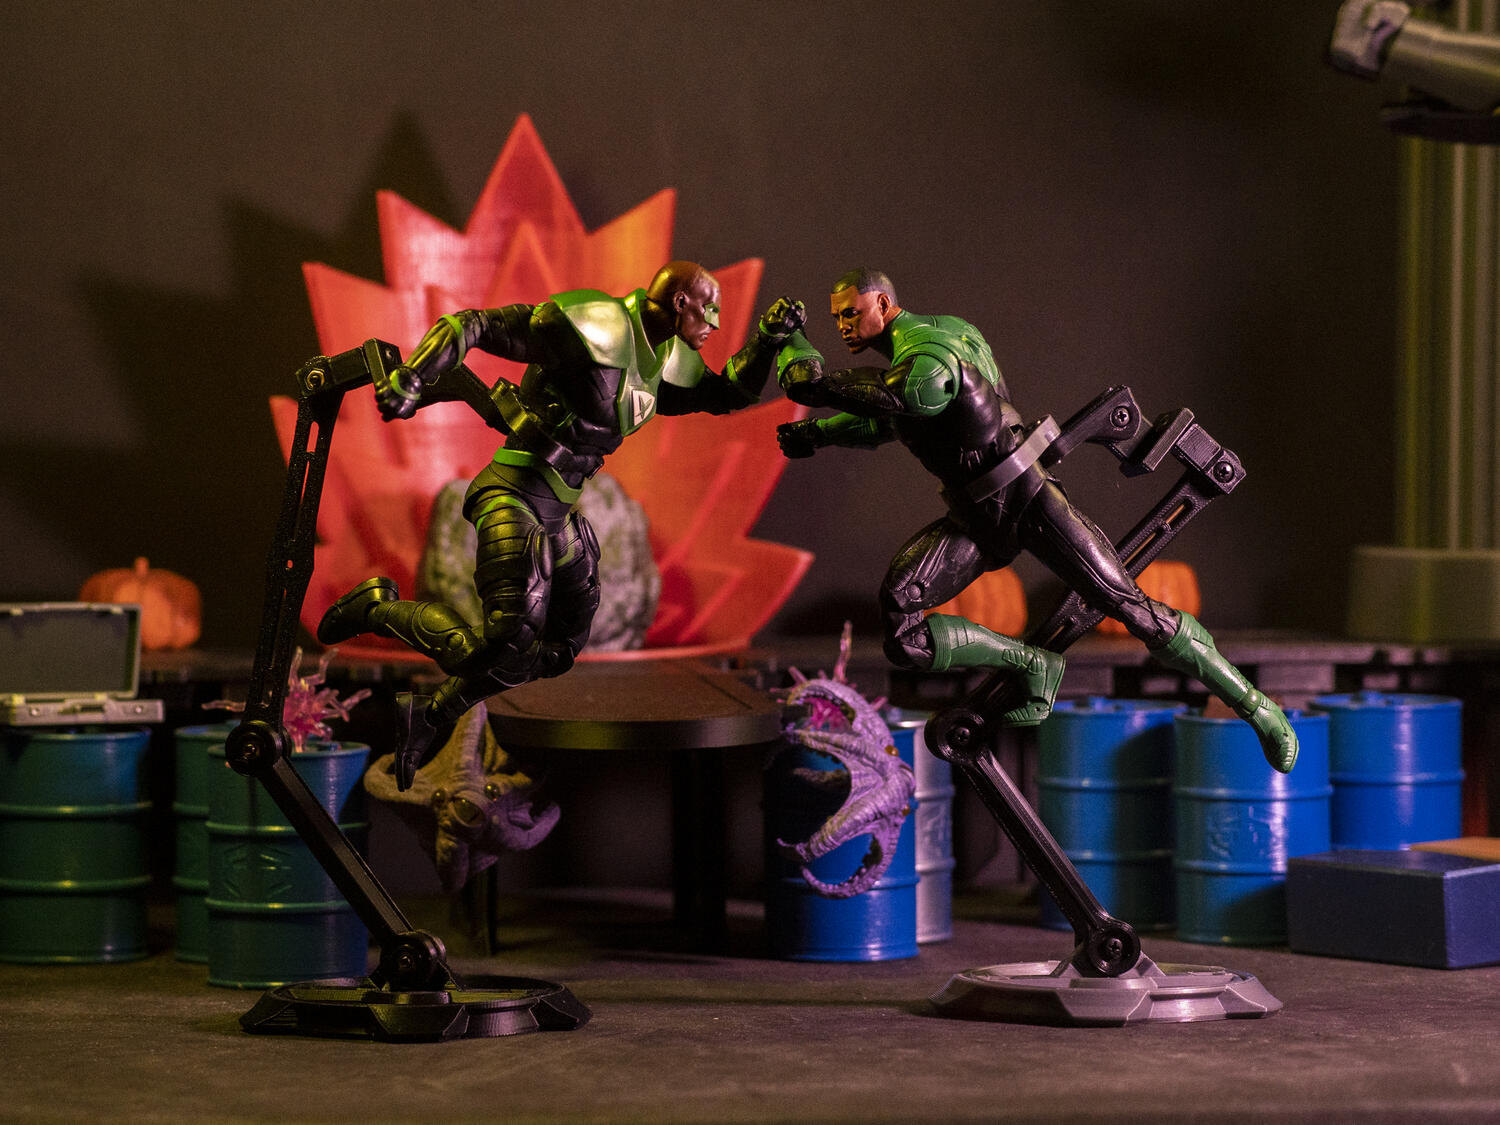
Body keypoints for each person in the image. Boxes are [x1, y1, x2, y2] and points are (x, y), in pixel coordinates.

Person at [775, 268, 1296, 772]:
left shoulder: (931, 350)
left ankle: (1259, 709)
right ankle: (1032, 664)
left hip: (1027, 497)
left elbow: (899, 395)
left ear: (883, 304)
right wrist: (819, 434)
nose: (843, 326)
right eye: (836, 318)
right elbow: (890, 419)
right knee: (902, 622)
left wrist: (804, 366)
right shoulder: (926, 349)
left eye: (851, 313)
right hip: (976, 516)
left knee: (1134, 611)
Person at [319, 261, 805, 786]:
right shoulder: (592, 325)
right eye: (708, 308)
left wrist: (767, 340)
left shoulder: (664, 357)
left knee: (557, 650)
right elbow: (473, 324)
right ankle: (376, 606)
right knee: (503, 644)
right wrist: (412, 377)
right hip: (512, 493)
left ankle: (430, 714)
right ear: (681, 302)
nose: (714, 321)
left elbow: (728, 394)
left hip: (559, 510)